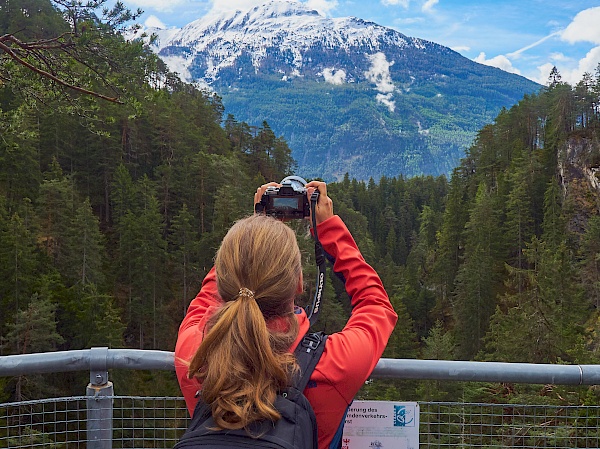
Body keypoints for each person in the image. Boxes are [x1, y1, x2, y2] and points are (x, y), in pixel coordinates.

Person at [174, 180, 398, 449]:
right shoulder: (334, 366)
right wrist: (329, 228)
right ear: (299, 283)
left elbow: (210, 296)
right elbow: (375, 304)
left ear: (224, 279)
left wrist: (254, 233)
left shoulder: (194, 356)